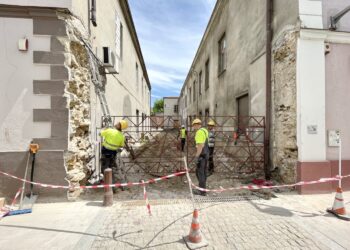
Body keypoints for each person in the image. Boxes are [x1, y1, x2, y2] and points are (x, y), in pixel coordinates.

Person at [100, 120, 128, 192]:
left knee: (106, 168)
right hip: (113, 154)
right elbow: (121, 146)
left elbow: (100, 134)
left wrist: (104, 129)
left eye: (118, 123)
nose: (116, 123)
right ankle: (114, 185)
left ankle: (111, 187)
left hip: (105, 152)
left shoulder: (109, 130)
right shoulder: (122, 136)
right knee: (112, 168)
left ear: (119, 126)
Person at [192, 119, 209, 196]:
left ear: (196, 125)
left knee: (200, 173)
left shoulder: (199, 132)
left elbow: (200, 146)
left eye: (194, 125)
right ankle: (203, 188)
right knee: (204, 172)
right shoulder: (204, 130)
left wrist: (196, 156)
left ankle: (202, 191)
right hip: (206, 154)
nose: (193, 127)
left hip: (202, 155)